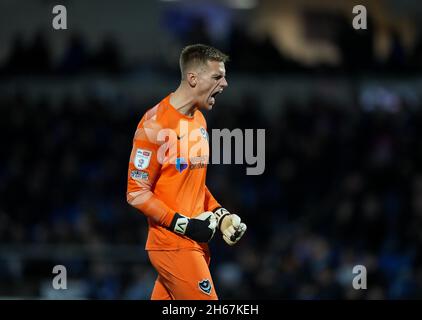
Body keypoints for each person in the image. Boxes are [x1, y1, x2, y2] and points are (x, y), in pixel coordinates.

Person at [126, 44, 247, 300]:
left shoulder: (199, 120)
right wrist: (185, 225)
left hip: (195, 244)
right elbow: (136, 192)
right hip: (173, 246)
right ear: (193, 78)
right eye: (217, 77)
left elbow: (193, 184)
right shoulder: (154, 124)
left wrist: (221, 214)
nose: (225, 84)